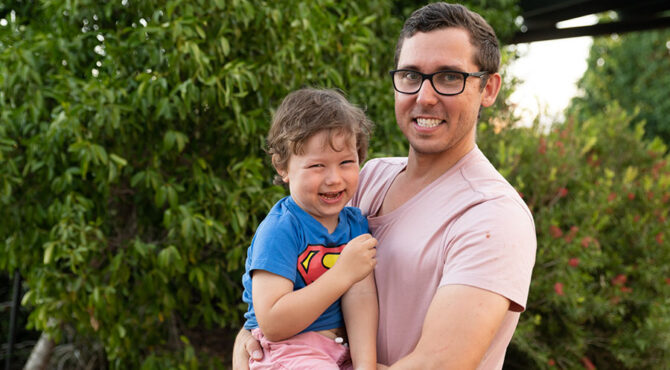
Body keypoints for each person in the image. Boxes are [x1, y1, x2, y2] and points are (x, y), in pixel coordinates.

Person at [234, 3, 536, 369]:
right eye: (411, 75)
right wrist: (255, 337)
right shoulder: (367, 178)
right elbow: (294, 290)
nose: (425, 97)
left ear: (488, 88)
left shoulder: (493, 216)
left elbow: (439, 364)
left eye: (449, 77)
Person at [239, 88, 379, 369]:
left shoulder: (355, 225)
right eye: (317, 165)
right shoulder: (281, 229)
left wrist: (367, 366)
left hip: (337, 352)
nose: (334, 178)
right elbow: (274, 323)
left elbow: (361, 299)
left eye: (346, 162)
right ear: (282, 167)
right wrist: (341, 274)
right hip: (286, 349)